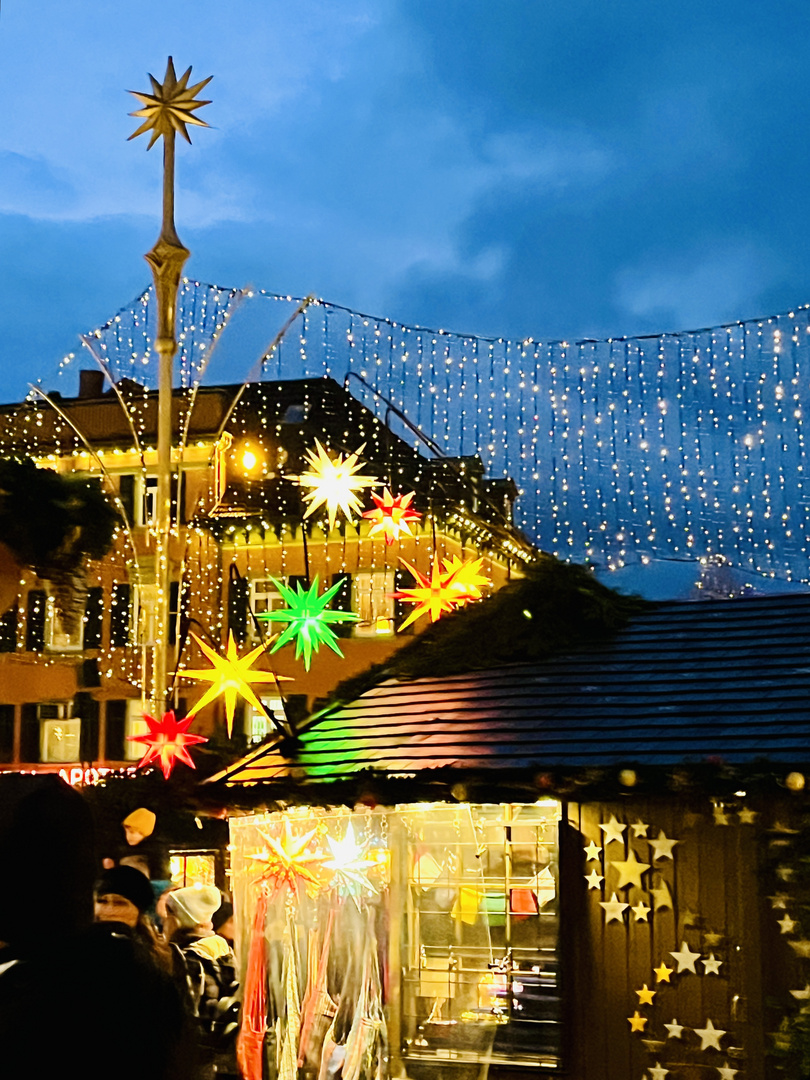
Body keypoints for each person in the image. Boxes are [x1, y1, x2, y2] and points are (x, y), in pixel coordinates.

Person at [0, 775, 195, 1080]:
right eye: (103, 900)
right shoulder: (133, 977)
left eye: (117, 902)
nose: (107, 910)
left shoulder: (33, 992)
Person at [166, 884, 240, 1079]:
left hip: (194, 1063)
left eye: (170, 913)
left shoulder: (188, 958)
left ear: (184, 918)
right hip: (221, 1060)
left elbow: (187, 1015)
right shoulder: (220, 948)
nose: (165, 919)